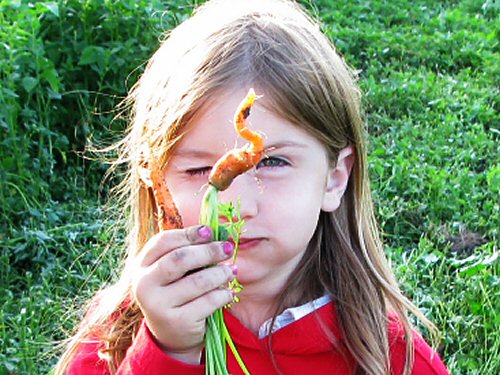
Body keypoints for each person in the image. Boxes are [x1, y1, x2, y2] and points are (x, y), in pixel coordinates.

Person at [55, 0, 450, 374]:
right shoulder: (116, 338)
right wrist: (169, 353)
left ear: (335, 177)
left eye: (273, 162)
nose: (237, 204)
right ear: (156, 183)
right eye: (199, 170)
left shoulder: (391, 357)